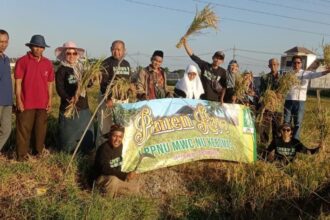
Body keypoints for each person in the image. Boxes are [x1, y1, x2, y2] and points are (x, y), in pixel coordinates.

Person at [14, 35, 54, 161]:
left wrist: (50, 100)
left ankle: (38, 152)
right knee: (23, 130)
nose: (38, 49)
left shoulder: (48, 63)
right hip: (26, 102)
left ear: (44, 48)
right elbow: (18, 82)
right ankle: (21, 156)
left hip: (42, 103)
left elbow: (49, 84)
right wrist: (19, 100)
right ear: (31, 46)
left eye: (41, 47)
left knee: (40, 131)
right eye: (36, 46)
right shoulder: (22, 61)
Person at [55, 41, 94, 153]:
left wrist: (91, 79)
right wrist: (69, 99)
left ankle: (86, 150)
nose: (71, 56)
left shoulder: (81, 68)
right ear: (64, 54)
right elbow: (59, 89)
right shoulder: (61, 70)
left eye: (74, 53)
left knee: (84, 128)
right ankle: (68, 151)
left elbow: (88, 85)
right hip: (68, 106)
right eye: (69, 53)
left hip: (83, 105)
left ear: (77, 55)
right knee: (68, 131)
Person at [284, 55, 330, 140]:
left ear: (301, 64)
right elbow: (282, 86)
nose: (296, 64)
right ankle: (286, 140)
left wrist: (326, 71)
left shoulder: (305, 73)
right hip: (288, 101)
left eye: (298, 63)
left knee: (298, 122)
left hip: (300, 101)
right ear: (292, 64)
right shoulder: (288, 74)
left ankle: (295, 140)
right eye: (295, 63)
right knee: (286, 122)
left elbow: (316, 74)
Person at [96, 40, 132, 147]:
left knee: (120, 126)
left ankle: (118, 150)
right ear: (110, 49)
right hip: (109, 100)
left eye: (119, 49)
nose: (116, 52)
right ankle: (101, 149)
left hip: (123, 101)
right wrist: (108, 98)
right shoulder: (106, 63)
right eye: (114, 49)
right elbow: (103, 84)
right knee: (105, 127)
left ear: (124, 51)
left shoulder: (126, 64)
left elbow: (127, 82)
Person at [93, 124, 139, 197]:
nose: (117, 139)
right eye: (115, 136)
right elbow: (105, 169)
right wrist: (124, 175)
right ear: (109, 136)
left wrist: (130, 173)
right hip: (101, 179)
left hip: (115, 179)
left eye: (120, 137)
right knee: (113, 180)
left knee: (135, 188)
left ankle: (113, 193)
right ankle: (105, 203)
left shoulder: (121, 147)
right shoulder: (103, 149)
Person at [181, 38, 226, 102]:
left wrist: (222, 99)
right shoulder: (205, 66)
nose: (217, 60)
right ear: (213, 57)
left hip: (215, 100)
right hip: (202, 98)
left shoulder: (223, 72)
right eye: (216, 57)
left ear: (222, 61)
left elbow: (224, 87)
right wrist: (185, 44)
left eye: (220, 59)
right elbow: (193, 56)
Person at [259, 58, 283, 144]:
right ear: (269, 66)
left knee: (277, 129)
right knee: (264, 128)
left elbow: (284, 92)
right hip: (267, 107)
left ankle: (275, 148)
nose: (273, 66)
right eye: (271, 65)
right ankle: (264, 147)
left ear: (278, 65)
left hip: (278, 108)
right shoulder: (264, 77)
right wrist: (267, 97)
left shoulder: (282, 79)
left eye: (275, 64)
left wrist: (280, 95)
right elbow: (261, 92)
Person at [0, 30, 12, 152]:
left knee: (7, 130)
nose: (3, 44)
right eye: (1, 41)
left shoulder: (6, 58)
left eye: (5, 41)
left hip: (7, 101)